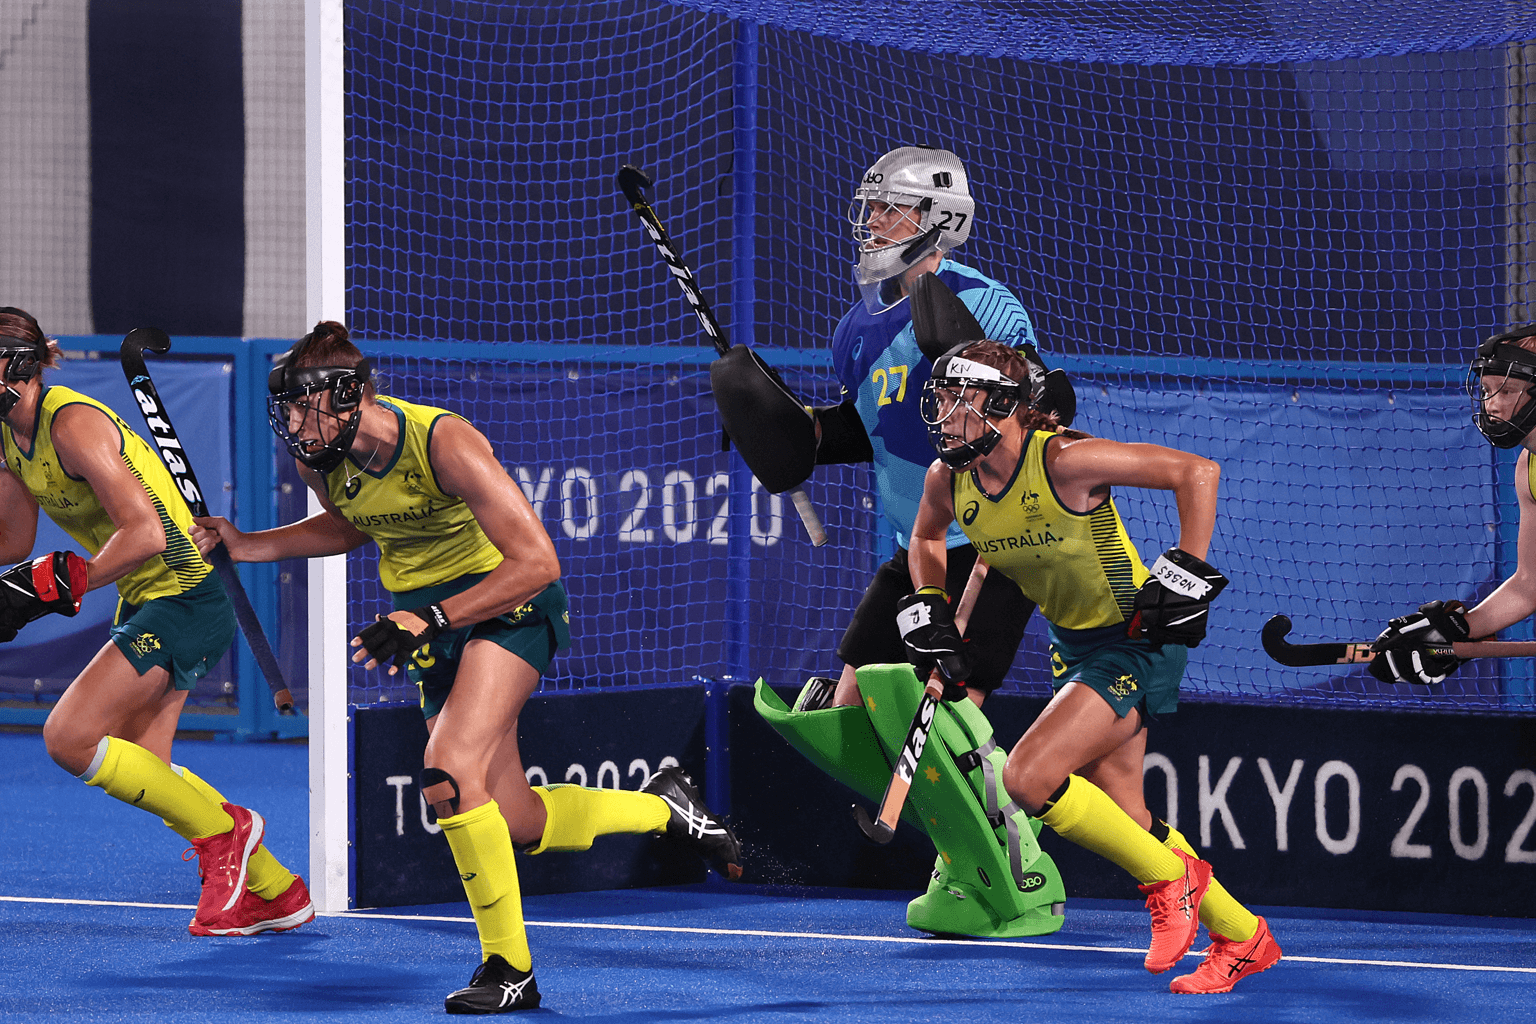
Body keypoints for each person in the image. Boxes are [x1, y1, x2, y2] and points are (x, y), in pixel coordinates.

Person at [192, 321, 742, 1014]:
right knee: (516, 819)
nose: (296, 427)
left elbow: (538, 562)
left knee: (447, 770)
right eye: (290, 412)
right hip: (432, 624)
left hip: (509, 605)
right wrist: (247, 545)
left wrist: (432, 617)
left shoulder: (442, 442)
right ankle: (663, 807)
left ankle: (509, 968)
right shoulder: (321, 461)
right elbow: (351, 523)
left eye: (307, 408)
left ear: (352, 396)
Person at [902, 339, 1281, 993]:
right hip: (1074, 646)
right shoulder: (950, 479)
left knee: (1026, 777)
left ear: (999, 406)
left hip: (1137, 638)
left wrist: (1188, 572)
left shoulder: (1067, 461)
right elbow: (926, 538)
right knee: (1129, 819)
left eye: (954, 400)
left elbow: (1198, 472)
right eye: (936, 399)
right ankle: (1246, 937)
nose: (939, 413)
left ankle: (1172, 880)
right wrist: (930, 602)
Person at [0, 306, 312, 937]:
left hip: (186, 591)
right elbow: (12, 542)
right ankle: (278, 892)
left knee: (69, 738)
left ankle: (229, 833)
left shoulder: (74, 425)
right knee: (150, 766)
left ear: (20, 365)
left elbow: (143, 533)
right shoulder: (10, 435)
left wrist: (71, 581)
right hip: (146, 597)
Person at [1370, 322, 1536, 684]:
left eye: (1506, 390)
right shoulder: (1529, 467)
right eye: (1487, 390)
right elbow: (1529, 584)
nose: (1491, 404)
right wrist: (1457, 629)